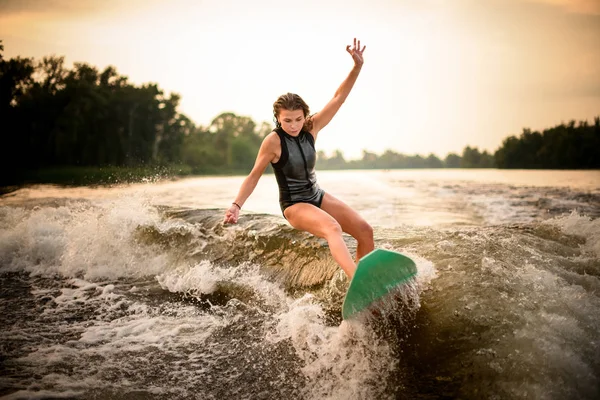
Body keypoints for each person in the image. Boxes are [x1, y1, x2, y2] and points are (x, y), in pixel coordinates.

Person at [223, 38, 374, 279]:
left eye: (298, 119)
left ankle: (365, 285)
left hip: (317, 196)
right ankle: (357, 280)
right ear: (278, 119)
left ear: (305, 116)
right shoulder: (273, 141)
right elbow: (254, 176)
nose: (293, 126)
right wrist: (236, 206)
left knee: (365, 231)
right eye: (287, 121)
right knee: (332, 228)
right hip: (295, 205)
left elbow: (338, 98)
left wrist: (356, 67)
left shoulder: (311, 127)